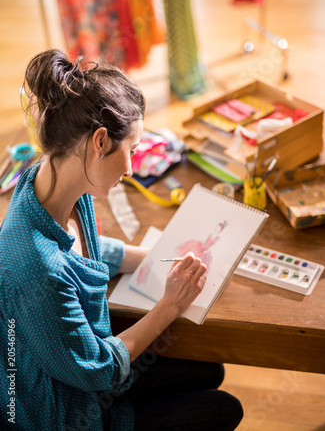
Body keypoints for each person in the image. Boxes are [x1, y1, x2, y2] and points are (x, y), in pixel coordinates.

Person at [0, 49, 243, 431]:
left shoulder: (50, 181)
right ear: (99, 141)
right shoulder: (37, 265)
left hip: (78, 370)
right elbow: (98, 370)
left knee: (207, 369)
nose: (130, 169)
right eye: (130, 150)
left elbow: (85, 250)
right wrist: (169, 305)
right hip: (67, 412)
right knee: (226, 408)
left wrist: (152, 256)